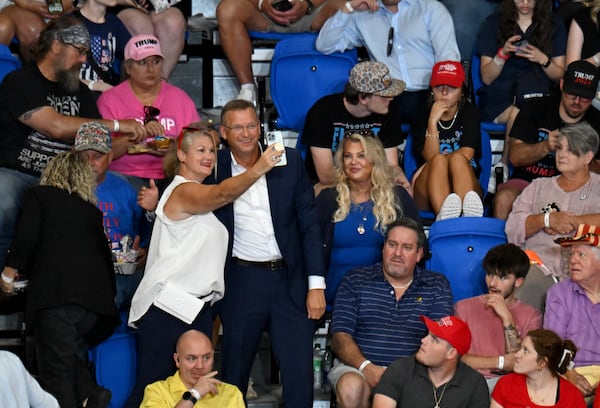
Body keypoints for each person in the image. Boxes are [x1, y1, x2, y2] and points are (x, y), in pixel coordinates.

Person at [124, 124, 281, 407]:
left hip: (196, 308)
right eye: (200, 150)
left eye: (212, 150)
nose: (209, 155)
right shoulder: (182, 191)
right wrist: (259, 167)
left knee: (194, 392)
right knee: (151, 388)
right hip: (167, 308)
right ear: (182, 156)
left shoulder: (192, 193)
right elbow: (221, 194)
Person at [0, 15, 146, 271]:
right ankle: (7, 275)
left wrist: (133, 140)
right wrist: (118, 124)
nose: (83, 60)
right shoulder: (19, 82)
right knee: (4, 193)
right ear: (57, 45)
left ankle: (117, 266)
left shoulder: (79, 92)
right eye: (79, 52)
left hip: (70, 177)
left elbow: (98, 145)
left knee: (131, 187)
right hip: (21, 174)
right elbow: (55, 127)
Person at [212, 99, 326, 408]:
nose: (248, 134)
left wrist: (316, 286)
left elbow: (309, 226)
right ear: (224, 132)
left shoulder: (287, 160)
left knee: (299, 375)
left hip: (290, 280)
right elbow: (184, 191)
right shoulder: (215, 166)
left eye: (252, 125)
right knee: (233, 372)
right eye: (238, 127)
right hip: (241, 280)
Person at [0, 151, 119, 408]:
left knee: (56, 378)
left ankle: (80, 397)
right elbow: (105, 259)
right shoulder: (91, 211)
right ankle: (90, 392)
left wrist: (9, 273)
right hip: (95, 310)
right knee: (59, 354)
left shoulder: (40, 196)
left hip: (58, 302)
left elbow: (26, 238)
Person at [327, 217, 453, 408]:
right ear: (383, 248)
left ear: (419, 254)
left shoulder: (436, 284)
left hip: (415, 371)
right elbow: (340, 337)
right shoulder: (355, 280)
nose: (397, 253)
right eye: (392, 244)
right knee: (351, 387)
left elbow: (441, 338)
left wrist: (404, 376)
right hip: (359, 367)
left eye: (407, 247)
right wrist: (366, 367)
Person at [315, 133, 422, 307]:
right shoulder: (328, 198)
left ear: (375, 160)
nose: (353, 162)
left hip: (383, 286)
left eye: (361, 155)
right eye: (348, 156)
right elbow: (311, 247)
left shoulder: (397, 197)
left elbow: (417, 241)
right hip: (337, 286)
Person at [316, 0, 460, 124]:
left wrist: (441, 95)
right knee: (347, 106)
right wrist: (349, 7)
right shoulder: (361, 14)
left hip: (428, 92)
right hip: (387, 96)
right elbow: (324, 45)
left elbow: (448, 59)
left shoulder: (430, 8)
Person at [495, 60, 600, 220]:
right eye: (572, 94)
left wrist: (582, 156)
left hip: (575, 188)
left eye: (585, 97)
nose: (577, 101)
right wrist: (546, 145)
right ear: (562, 85)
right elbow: (515, 157)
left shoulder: (597, 121)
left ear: (593, 96)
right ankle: (503, 246)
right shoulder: (535, 108)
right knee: (504, 198)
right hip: (528, 181)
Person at [97, 33, 200, 191]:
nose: (151, 69)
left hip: (172, 176)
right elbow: (101, 153)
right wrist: (139, 135)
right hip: (123, 176)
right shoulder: (110, 100)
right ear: (128, 68)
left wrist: (172, 149)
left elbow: (198, 143)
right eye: (142, 62)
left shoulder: (180, 98)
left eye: (156, 62)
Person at [476, 0, 567, 167]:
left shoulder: (554, 24)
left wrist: (542, 59)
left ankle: (503, 165)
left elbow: (559, 76)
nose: (525, 3)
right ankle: (505, 164)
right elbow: (487, 78)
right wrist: (502, 55)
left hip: (540, 95)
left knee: (525, 102)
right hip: (501, 97)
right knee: (521, 106)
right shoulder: (493, 23)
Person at [506, 122, 600, 279]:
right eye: (560, 148)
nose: (561, 155)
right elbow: (513, 228)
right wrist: (547, 220)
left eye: (570, 150)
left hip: (588, 276)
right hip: (539, 272)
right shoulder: (538, 186)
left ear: (588, 157)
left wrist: (572, 221)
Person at [73, 121, 149, 309]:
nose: (90, 163)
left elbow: (145, 231)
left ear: (110, 156)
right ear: (73, 157)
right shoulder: (62, 189)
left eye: (97, 156)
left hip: (125, 268)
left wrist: (144, 253)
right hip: (84, 272)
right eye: (84, 156)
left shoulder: (128, 187)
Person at [302, 60, 409, 193]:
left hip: (374, 181)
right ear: (363, 98)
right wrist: (363, 187)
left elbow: (391, 165)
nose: (391, 98)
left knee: (403, 190)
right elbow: (326, 176)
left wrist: (397, 175)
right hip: (333, 184)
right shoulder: (323, 111)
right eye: (384, 95)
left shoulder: (387, 110)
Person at [216, 0, 344, 105]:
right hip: (264, 14)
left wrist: (308, 4)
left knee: (350, 7)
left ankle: (350, 91)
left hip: (316, 11)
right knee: (228, 9)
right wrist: (261, 3)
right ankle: (247, 89)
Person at [455, 243, 542, 389]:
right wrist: (501, 362)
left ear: (518, 281)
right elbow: (454, 358)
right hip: (468, 383)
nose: (493, 283)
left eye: (503, 278)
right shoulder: (463, 308)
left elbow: (521, 365)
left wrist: (507, 318)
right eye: (490, 274)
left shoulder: (532, 315)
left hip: (512, 386)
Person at [410, 60, 484, 220]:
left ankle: (466, 217)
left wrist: (432, 162)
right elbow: (430, 157)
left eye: (451, 87)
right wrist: (432, 122)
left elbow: (467, 154)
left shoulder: (469, 111)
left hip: (464, 180)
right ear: (431, 90)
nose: (444, 92)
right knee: (437, 162)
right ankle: (446, 219)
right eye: (438, 87)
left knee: (457, 158)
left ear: (461, 91)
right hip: (429, 187)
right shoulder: (422, 113)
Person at [372, 315, 490, 408]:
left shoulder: (475, 384)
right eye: (427, 334)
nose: (423, 340)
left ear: (451, 353)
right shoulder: (399, 370)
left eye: (434, 339)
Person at [545, 223, 600, 397]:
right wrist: (570, 374)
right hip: (570, 371)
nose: (573, 260)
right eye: (571, 254)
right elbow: (551, 344)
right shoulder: (559, 293)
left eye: (581, 254)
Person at [140, 329, 244, 407]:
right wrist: (194, 395)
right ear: (177, 360)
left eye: (206, 357)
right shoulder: (157, 392)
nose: (200, 366)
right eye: (191, 358)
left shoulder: (231, 393)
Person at [490, 329, 586, 407]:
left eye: (526, 350)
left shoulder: (572, 398)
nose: (517, 355)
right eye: (521, 348)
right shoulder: (505, 385)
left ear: (542, 363)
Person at [112, 0, 185, 79]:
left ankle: (161, 81)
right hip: (123, 5)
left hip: (163, 4)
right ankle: (144, 83)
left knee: (174, 23)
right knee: (140, 25)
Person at [72, 0, 132, 93]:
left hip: (105, 93)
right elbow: (58, 73)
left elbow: (132, 56)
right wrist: (96, 85)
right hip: (77, 94)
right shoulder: (69, 23)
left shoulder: (114, 22)